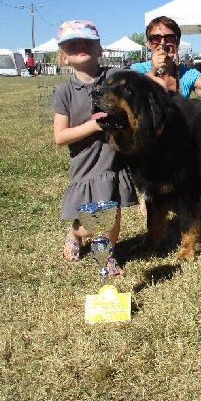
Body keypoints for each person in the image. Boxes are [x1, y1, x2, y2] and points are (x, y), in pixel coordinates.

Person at [51, 20, 137, 275]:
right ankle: (76, 232)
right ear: (63, 57)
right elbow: (60, 137)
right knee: (92, 221)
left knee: (112, 212)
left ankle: (107, 258)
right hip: (85, 163)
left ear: (100, 49)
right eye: (72, 44)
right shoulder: (64, 92)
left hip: (113, 160)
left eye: (87, 42)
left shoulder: (114, 78)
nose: (80, 46)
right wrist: (95, 126)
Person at [131, 16, 201, 99]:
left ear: (177, 42)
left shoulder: (188, 74)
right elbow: (132, 95)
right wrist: (153, 71)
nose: (163, 43)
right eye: (156, 38)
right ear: (149, 44)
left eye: (169, 38)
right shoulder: (137, 70)